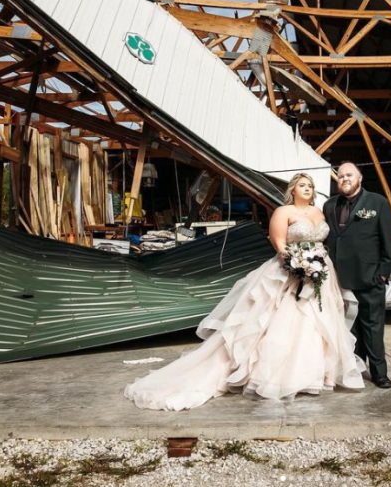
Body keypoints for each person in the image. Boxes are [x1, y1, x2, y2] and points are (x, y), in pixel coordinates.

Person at [125, 173, 364, 411]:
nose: (307, 189)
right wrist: (297, 264)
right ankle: (276, 376)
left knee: (316, 322)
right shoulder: (283, 212)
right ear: (293, 189)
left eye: (310, 186)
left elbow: (323, 239)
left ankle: (316, 373)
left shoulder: (319, 212)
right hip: (290, 270)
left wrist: (316, 264)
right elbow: (278, 241)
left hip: (321, 271)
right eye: (302, 185)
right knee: (283, 322)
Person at [323, 162, 391, 389]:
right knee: (347, 329)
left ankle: (379, 373)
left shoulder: (378, 203)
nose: (344, 178)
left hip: (369, 277)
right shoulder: (329, 205)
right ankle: (353, 370)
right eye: (341, 176)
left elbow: (390, 243)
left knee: (373, 327)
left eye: (349, 175)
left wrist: (383, 274)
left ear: (360, 178)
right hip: (339, 280)